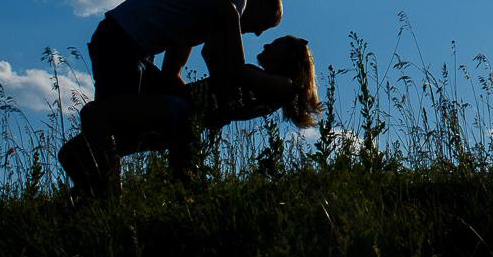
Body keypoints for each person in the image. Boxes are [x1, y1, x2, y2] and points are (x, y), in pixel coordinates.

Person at [58, 0, 300, 199]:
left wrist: (191, 103)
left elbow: (179, 70)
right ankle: (104, 195)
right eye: (265, 23)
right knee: (105, 130)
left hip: (131, 48)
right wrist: (203, 100)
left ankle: (100, 196)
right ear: (257, 2)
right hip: (125, 45)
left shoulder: (200, 12)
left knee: (99, 131)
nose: (258, 34)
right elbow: (226, 66)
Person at [94, 35, 323, 171]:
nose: (265, 46)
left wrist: (228, 20)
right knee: (94, 150)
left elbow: (236, 69)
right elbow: (215, 59)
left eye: (275, 44)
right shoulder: (269, 89)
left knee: (99, 119)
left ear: (288, 57)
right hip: (179, 115)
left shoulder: (284, 86)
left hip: (177, 113)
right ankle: (91, 198)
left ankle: (104, 197)